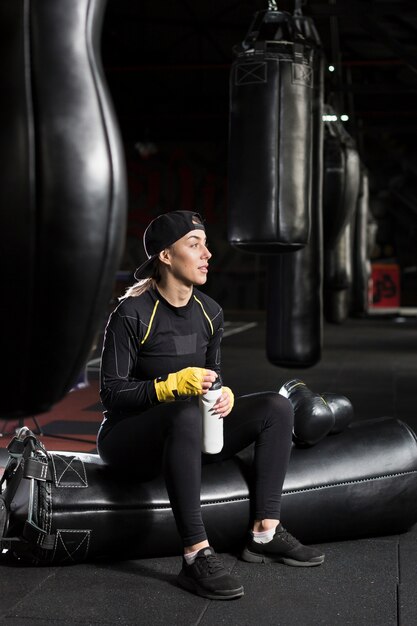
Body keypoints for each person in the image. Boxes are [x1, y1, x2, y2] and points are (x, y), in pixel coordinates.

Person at [97, 210, 324, 601]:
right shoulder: (131, 314)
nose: (208, 254)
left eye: (205, 244)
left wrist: (222, 392)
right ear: (166, 256)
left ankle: (265, 532)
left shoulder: (210, 312)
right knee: (184, 413)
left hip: (186, 431)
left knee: (275, 407)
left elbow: (212, 375)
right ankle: (195, 554)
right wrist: (168, 386)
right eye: (194, 244)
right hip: (128, 438)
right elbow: (112, 394)